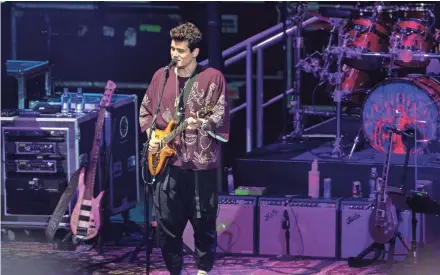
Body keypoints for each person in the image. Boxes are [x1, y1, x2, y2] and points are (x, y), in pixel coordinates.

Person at [139, 22, 229, 275]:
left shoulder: (212, 78)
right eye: (172, 49)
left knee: (203, 224)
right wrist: (152, 137)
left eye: (180, 50)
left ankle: (202, 271)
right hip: (166, 165)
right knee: (166, 226)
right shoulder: (161, 76)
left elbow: (219, 117)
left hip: (200, 165)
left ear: (195, 52)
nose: (174, 55)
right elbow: (146, 110)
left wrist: (201, 121)